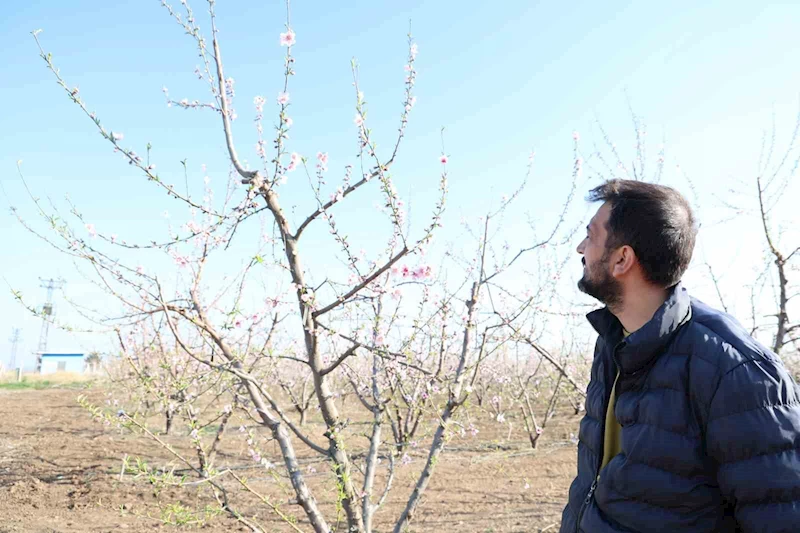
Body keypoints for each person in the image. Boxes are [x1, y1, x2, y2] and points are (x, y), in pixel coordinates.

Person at [559, 179, 800, 533]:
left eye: (591, 236)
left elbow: (781, 516)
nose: (580, 248)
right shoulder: (612, 342)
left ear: (623, 259)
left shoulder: (734, 369)